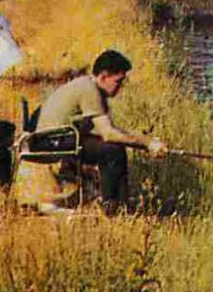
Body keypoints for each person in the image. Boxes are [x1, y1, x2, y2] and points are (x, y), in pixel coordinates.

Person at [35, 49, 166, 213]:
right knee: (113, 151)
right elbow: (108, 133)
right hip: (52, 144)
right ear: (103, 77)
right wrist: (147, 143)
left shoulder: (87, 85)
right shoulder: (90, 90)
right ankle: (114, 208)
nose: (120, 87)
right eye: (118, 81)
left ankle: (118, 205)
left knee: (111, 147)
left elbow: (106, 131)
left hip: (54, 139)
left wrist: (145, 142)